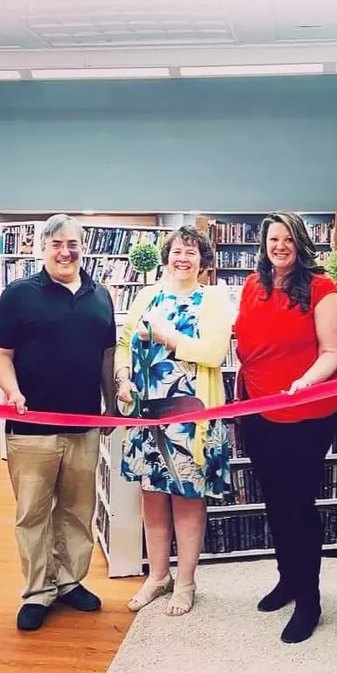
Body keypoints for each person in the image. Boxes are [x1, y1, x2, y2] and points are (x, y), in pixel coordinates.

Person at [0, 213, 118, 632]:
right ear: (41, 248)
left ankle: (69, 582)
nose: (65, 252)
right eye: (57, 244)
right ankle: (38, 592)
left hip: (84, 426)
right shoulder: (19, 295)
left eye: (73, 244)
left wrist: (112, 405)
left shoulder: (102, 296)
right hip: (31, 429)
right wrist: (12, 392)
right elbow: (0, 355)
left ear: (83, 248)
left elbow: (106, 357)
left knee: (79, 510)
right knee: (33, 514)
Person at [232, 211, 337, 644]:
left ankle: (310, 600)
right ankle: (288, 580)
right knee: (274, 499)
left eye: (287, 239)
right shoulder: (252, 285)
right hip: (258, 407)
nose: (279, 246)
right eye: (272, 239)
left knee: (298, 502)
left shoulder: (322, 289)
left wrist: (303, 383)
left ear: (300, 243)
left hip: (306, 411)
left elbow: (332, 351)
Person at [116, 226, 232, 617]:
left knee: (186, 497)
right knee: (152, 496)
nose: (182, 258)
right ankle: (157, 576)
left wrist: (169, 338)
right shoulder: (147, 295)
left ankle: (186, 582)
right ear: (166, 256)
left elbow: (214, 353)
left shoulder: (212, 300)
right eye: (177, 251)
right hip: (146, 415)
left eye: (192, 253)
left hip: (189, 418)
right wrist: (123, 378)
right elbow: (124, 341)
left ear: (203, 261)